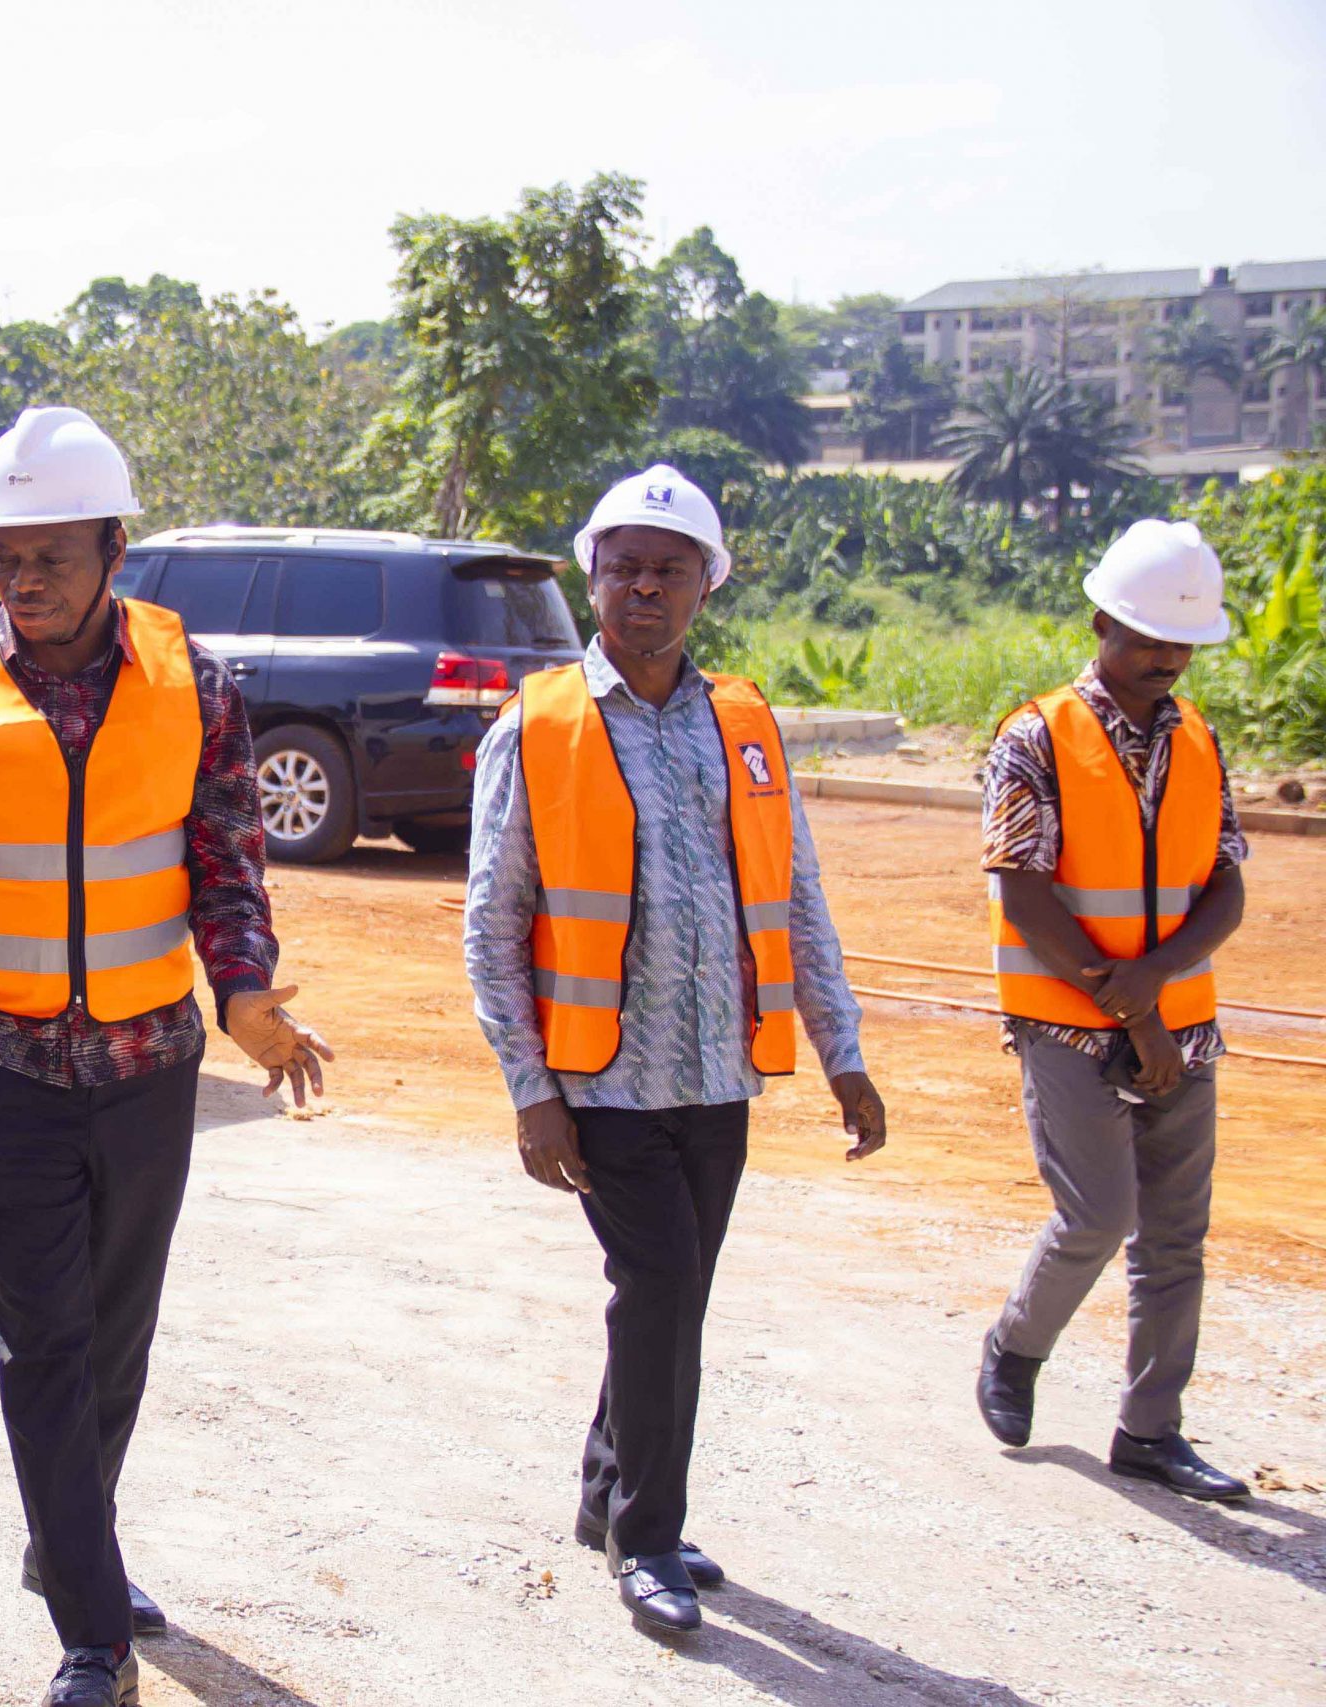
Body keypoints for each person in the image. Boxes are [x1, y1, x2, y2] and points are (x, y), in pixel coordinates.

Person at [0, 406, 331, 1707]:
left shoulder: (198, 685)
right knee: (43, 1345)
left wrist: (244, 992)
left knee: (116, 1339)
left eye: (52, 554)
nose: (24, 578)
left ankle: (68, 1542)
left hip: (147, 1068)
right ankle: (92, 1635)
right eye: (5, 554)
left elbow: (227, 865)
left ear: (115, 548)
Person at [463, 464, 888, 1639]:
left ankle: (607, 1494)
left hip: (717, 1076)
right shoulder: (538, 727)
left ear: (707, 583)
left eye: (667, 569)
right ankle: (647, 1536)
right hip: (601, 1080)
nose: (642, 588)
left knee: (672, 1294)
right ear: (592, 580)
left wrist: (843, 1052)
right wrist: (530, 1092)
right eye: (622, 569)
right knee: (657, 1288)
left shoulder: (742, 725)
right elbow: (491, 923)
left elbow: (796, 895)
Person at [974, 519, 1251, 1502]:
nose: (1165, 658)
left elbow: (1226, 882)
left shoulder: (1199, 738)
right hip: (1065, 1019)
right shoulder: (1034, 737)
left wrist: (1162, 980)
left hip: (1180, 1020)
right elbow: (1022, 893)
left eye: (1182, 643)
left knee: (1175, 1236)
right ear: (1101, 623)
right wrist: (1134, 1013)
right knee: (1098, 1213)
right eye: (1146, 637)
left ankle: (1150, 1430)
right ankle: (1014, 1346)